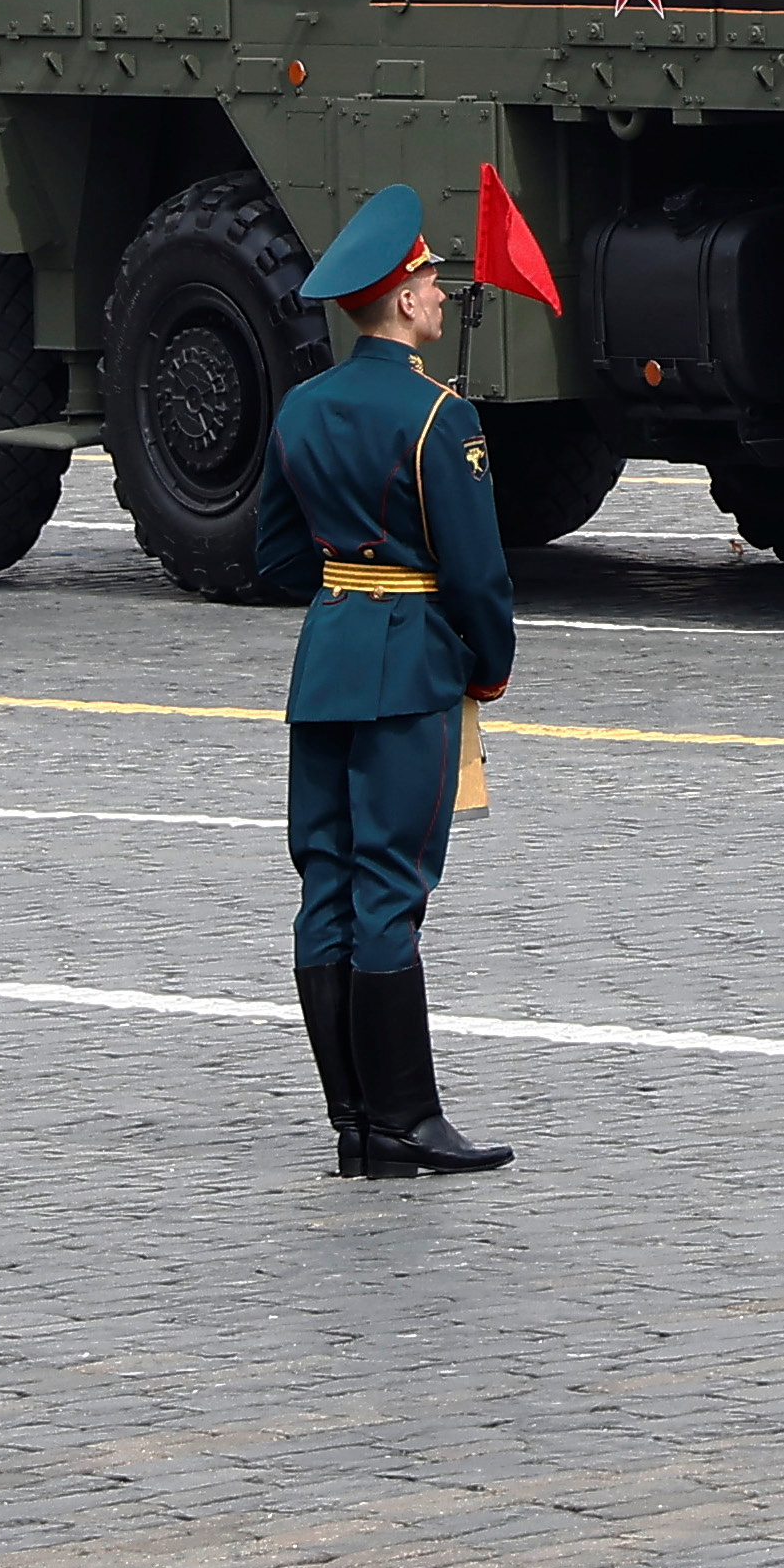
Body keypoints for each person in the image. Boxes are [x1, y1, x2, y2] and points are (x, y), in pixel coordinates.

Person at [253, 186, 518, 1179]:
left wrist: (347, 585)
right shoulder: (440, 415)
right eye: (430, 282)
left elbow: (276, 551)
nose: (443, 293)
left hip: (325, 659)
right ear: (401, 303)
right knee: (391, 890)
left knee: (325, 880)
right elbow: (478, 571)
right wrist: (486, 663)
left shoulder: (302, 406)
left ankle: (354, 1120)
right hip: (409, 666)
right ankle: (408, 1119)